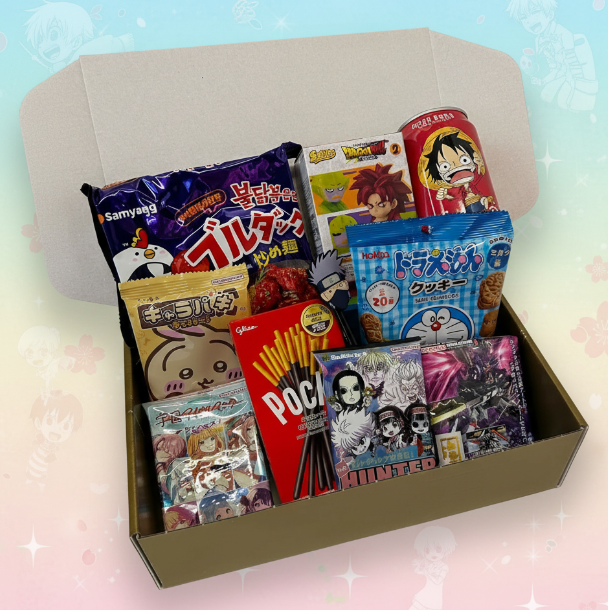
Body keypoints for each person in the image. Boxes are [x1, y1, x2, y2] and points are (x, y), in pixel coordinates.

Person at [26, 390, 82, 490]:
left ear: (72, 431)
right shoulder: (41, 438)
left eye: (66, 426)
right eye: (49, 420)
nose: (56, 430)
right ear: (38, 422)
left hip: (42, 472)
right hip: (31, 466)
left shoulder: (55, 449)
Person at [409, 526, 457, 610]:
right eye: (427, 551)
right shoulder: (428, 565)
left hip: (435, 597)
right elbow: (419, 572)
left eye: (438, 549)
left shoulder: (444, 567)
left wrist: (427, 572)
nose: (433, 554)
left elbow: (437, 581)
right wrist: (421, 569)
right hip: (425, 593)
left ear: (445, 549)